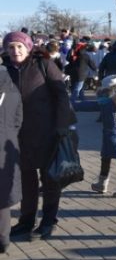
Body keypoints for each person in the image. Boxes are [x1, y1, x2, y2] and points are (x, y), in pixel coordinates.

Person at [2, 31, 76, 241]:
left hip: (48, 132)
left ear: (28, 47)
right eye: (11, 47)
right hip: (17, 135)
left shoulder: (43, 64)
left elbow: (61, 95)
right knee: (26, 180)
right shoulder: (5, 70)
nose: (15, 51)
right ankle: (26, 221)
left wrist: (62, 125)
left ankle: (48, 222)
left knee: (50, 178)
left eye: (19, 46)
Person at [79, 74, 116, 197]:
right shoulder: (106, 100)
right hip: (109, 131)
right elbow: (94, 105)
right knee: (105, 156)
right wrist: (73, 105)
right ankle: (102, 182)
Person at [0, 64, 22, 253]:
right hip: (7, 146)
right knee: (2, 196)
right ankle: (3, 238)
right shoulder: (13, 88)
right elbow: (18, 120)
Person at [64, 38, 97, 104]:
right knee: (77, 89)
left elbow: (68, 59)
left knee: (78, 88)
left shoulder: (74, 55)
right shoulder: (85, 56)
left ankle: (83, 100)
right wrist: (96, 69)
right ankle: (71, 103)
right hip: (81, 75)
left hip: (73, 73)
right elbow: (92, 65)